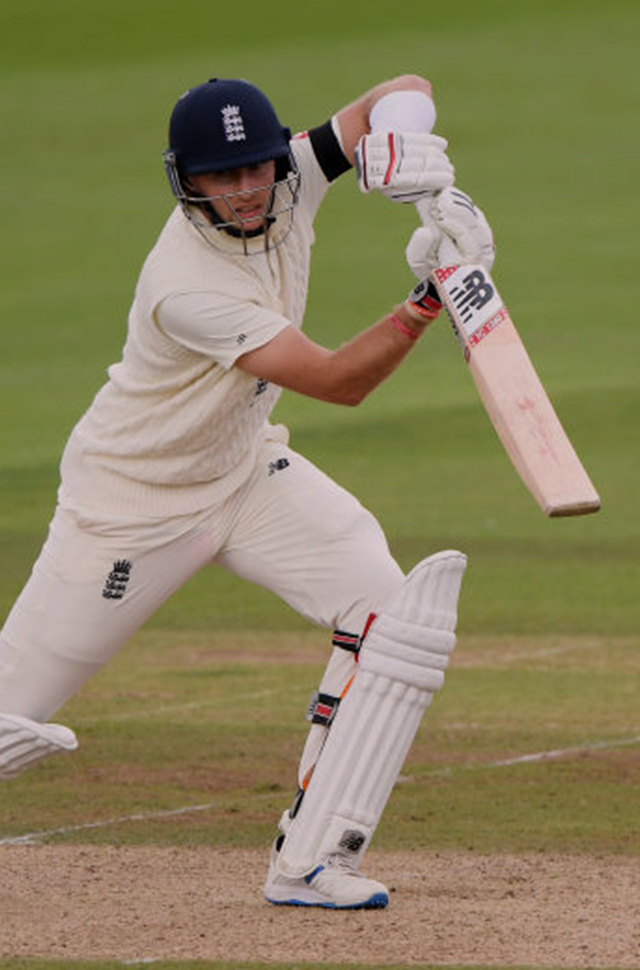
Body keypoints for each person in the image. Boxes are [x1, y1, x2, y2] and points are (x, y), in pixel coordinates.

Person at [0, 74, 494, 909]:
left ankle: (311, 861)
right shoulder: (187, 283)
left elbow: (398, 90)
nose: (243, 192)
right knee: (11, 710)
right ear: (187, 183)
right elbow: (337, 382)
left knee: (390, 615)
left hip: (244, 472)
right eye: (219, 179)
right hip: (131, 505)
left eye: (255, 170)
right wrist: (430, 295)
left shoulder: (289, 179)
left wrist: (410, 160)